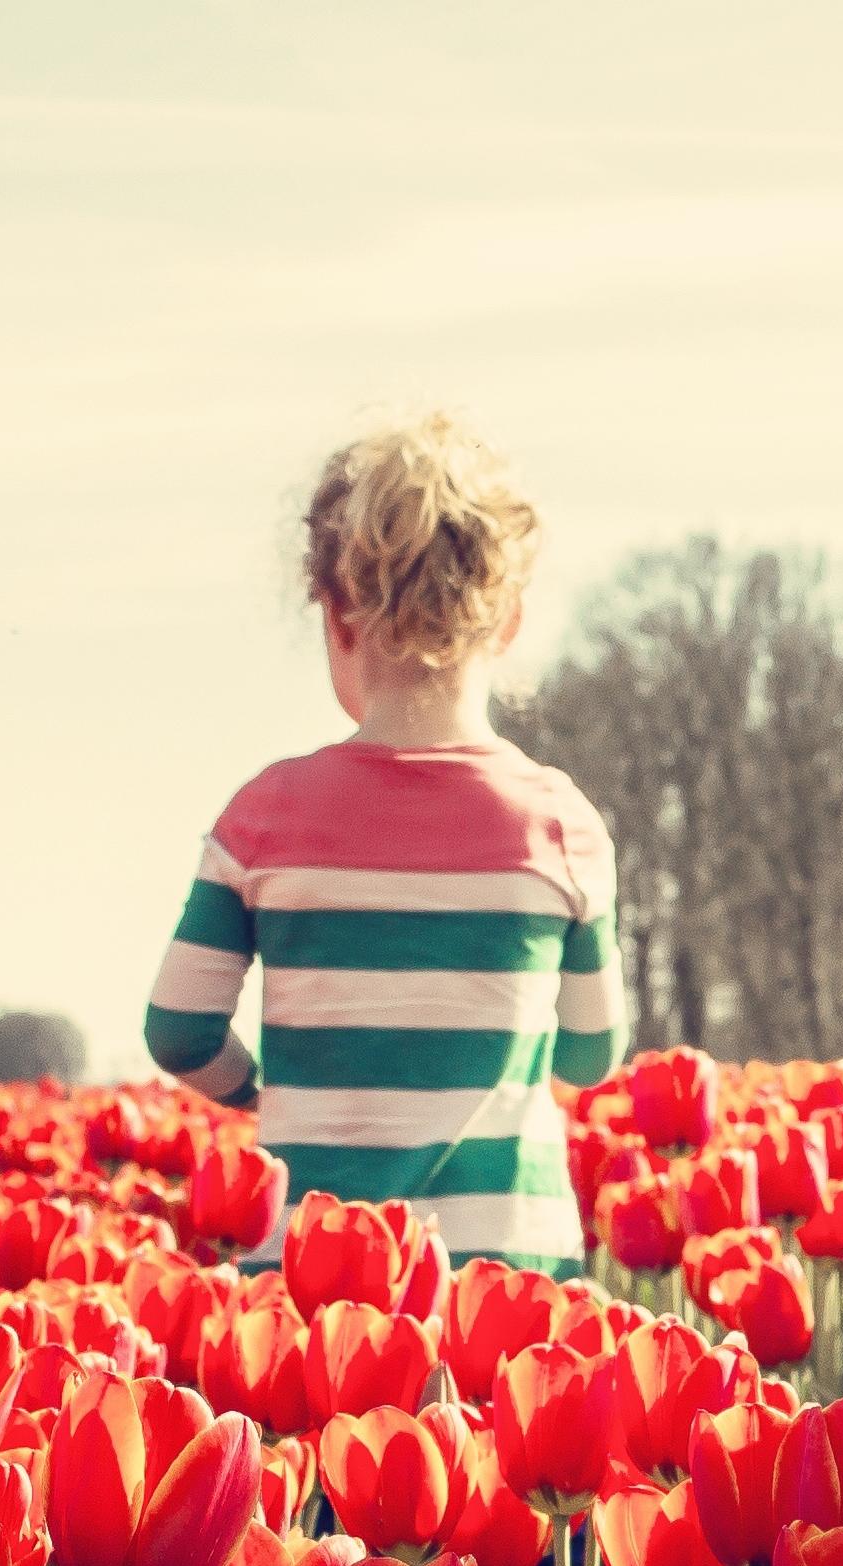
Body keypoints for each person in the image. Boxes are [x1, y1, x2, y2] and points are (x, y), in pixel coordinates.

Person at [142, 411, 625, 1268]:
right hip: (506, 1259)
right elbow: (592, 1052)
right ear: (508, 621)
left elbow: (178, 1030)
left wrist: (264, 1093)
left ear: (335, 616)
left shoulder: (265, 816)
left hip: (311, 1262)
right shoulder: (558, 824)